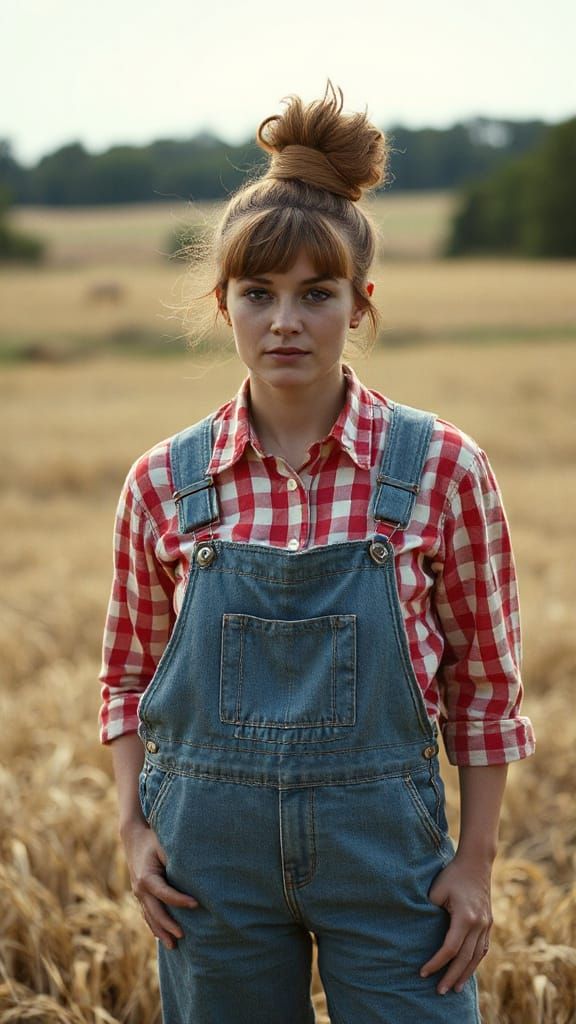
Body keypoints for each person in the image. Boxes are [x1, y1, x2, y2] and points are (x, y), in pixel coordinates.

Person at [99, 81, 535, 1024]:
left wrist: (475, 863)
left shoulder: (442, 469)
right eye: (259, 294)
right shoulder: (162, 484)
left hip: (388, 857)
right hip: (207, 865)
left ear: (360, 303)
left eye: (315, 294)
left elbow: (487, 687)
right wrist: (133, 830)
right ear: (225, 306)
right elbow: (127, 678)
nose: (285, 320)